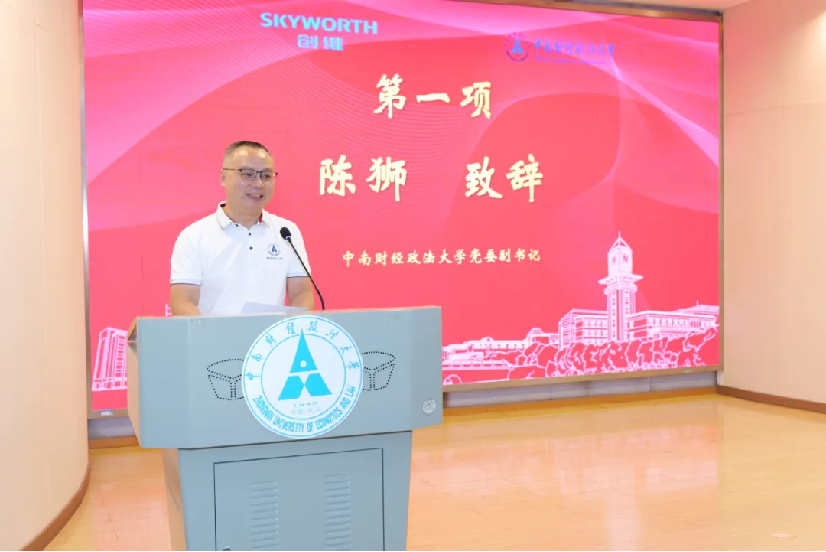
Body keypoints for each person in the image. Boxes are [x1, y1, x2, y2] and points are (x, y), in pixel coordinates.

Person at [167, 140, 316, 316]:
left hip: (271, 333)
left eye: (266, 176)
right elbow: (183, 302)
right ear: (223, 177)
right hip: (214, 333)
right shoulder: (194, 236)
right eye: (248, 174)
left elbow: (301, 294)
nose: (259, 184)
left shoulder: (287, 232)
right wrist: (211, 333)